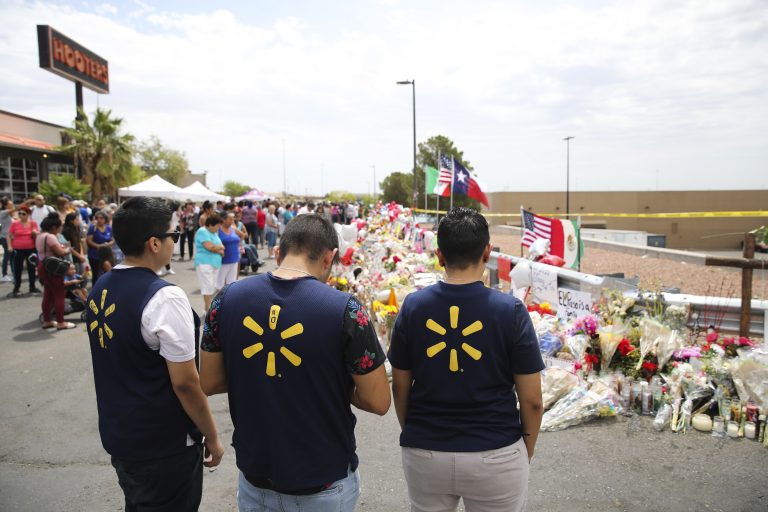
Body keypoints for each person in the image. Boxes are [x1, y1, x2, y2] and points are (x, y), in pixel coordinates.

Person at [199, 214, 390, 512]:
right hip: (323, 481)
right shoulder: (346, 310)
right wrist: (332, 382)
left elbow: (208, 381)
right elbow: (378, 400)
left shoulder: (226, 299)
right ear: (330, 258)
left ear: (278, 252)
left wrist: (255, 375)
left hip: (256, 480)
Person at [388, 207, 545, 512]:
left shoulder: (413, 307)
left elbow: (399, 386)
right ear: (488, 252)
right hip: (496, 451)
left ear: (439, 255)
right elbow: (533, 400)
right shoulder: (511, 311)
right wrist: (526, 448)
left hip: (426, 451)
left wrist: (417, 432)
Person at [86, 196, 224, 512]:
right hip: (163, 443)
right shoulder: (164, 297)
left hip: (122, 434)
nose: (175, 241)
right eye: (173, 235)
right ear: (153, 243)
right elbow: (186, 383)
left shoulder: (102, 285)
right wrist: (212, 437)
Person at [36, 212, 76, 330]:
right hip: (52, 268)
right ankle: (60, 322)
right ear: (54, 227)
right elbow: (61, 252)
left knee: (48, 294)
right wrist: (68, 249)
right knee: (59, 294)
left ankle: (47, 320)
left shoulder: (39, 236)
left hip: (42, 266)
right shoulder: (51, 236)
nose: (59, 230)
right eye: (58, 228)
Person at [8, 205, 40, 297]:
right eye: (20, 213)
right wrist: (10, 246)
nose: (21, 215)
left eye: (23, 214)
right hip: (18, 248)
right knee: (18, 268)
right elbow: (9, 235)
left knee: (31, 268)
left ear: (28, 214)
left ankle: (32, 286)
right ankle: (16, 287)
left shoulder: (33, 223)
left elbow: (36, 232)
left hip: (31, 248)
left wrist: (35, 233)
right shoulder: (14, 224)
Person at [194, 214, 224, 311]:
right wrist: (218, 248)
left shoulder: (214, 233)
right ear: (211, 225)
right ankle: (208, 309)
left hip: (214, 263)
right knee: (207, 287)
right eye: (217, 226)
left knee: (212, 286)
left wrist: (218, 248)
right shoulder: (203, 231)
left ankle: (209, 308)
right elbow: (210, 247)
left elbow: (220, 246)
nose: (218, 229)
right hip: (204, 262)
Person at [86, 211, 114, 286]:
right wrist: (98, 246)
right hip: (94, 254)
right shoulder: (93, 228)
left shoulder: (108, 228)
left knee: (107, 273)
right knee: (96, 274)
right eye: (97, 218)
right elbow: (88, 241)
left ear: (105, 219)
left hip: (106, 254)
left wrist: (107, 244)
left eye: (101, 218)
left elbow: (113, 240)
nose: (99, 220)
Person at [217, 212, 241, 290]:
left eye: (232, 220)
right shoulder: (218, 230)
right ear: (224, 220)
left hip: (234, 259)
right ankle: (218, 301)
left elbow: (242, 235)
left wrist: (240, 246)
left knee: (232, 283)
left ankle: (229, 300)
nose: (232, 221)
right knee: (219, 284)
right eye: (230, 219)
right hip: (223, 260)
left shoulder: (233, 229)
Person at [0, 197, 14, 282]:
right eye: (10, 204)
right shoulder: (3, 212)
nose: (12, 205)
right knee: (7, 256)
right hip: (5, 238)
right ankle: (4, 274)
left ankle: (10, 273)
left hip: (10, 238)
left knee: (10, 256)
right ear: (6, 205)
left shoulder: (8, 214)